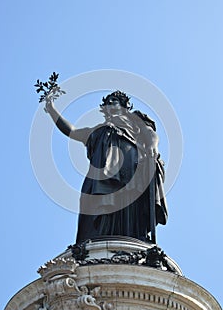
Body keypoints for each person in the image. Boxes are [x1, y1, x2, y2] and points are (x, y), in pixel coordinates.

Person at [46, 90, 168, 243]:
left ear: (125, 105)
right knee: (102, 203)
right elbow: (71, 131)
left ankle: (133, 235)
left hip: (130, 164)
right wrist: (51, 110)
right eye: (108, 102)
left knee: (129, 200)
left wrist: (152, 145)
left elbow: (150, 133)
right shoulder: (97, 130)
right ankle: (102, 237)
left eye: (114, 101)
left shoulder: (134, 119)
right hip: (102, 173)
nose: (110, 104)